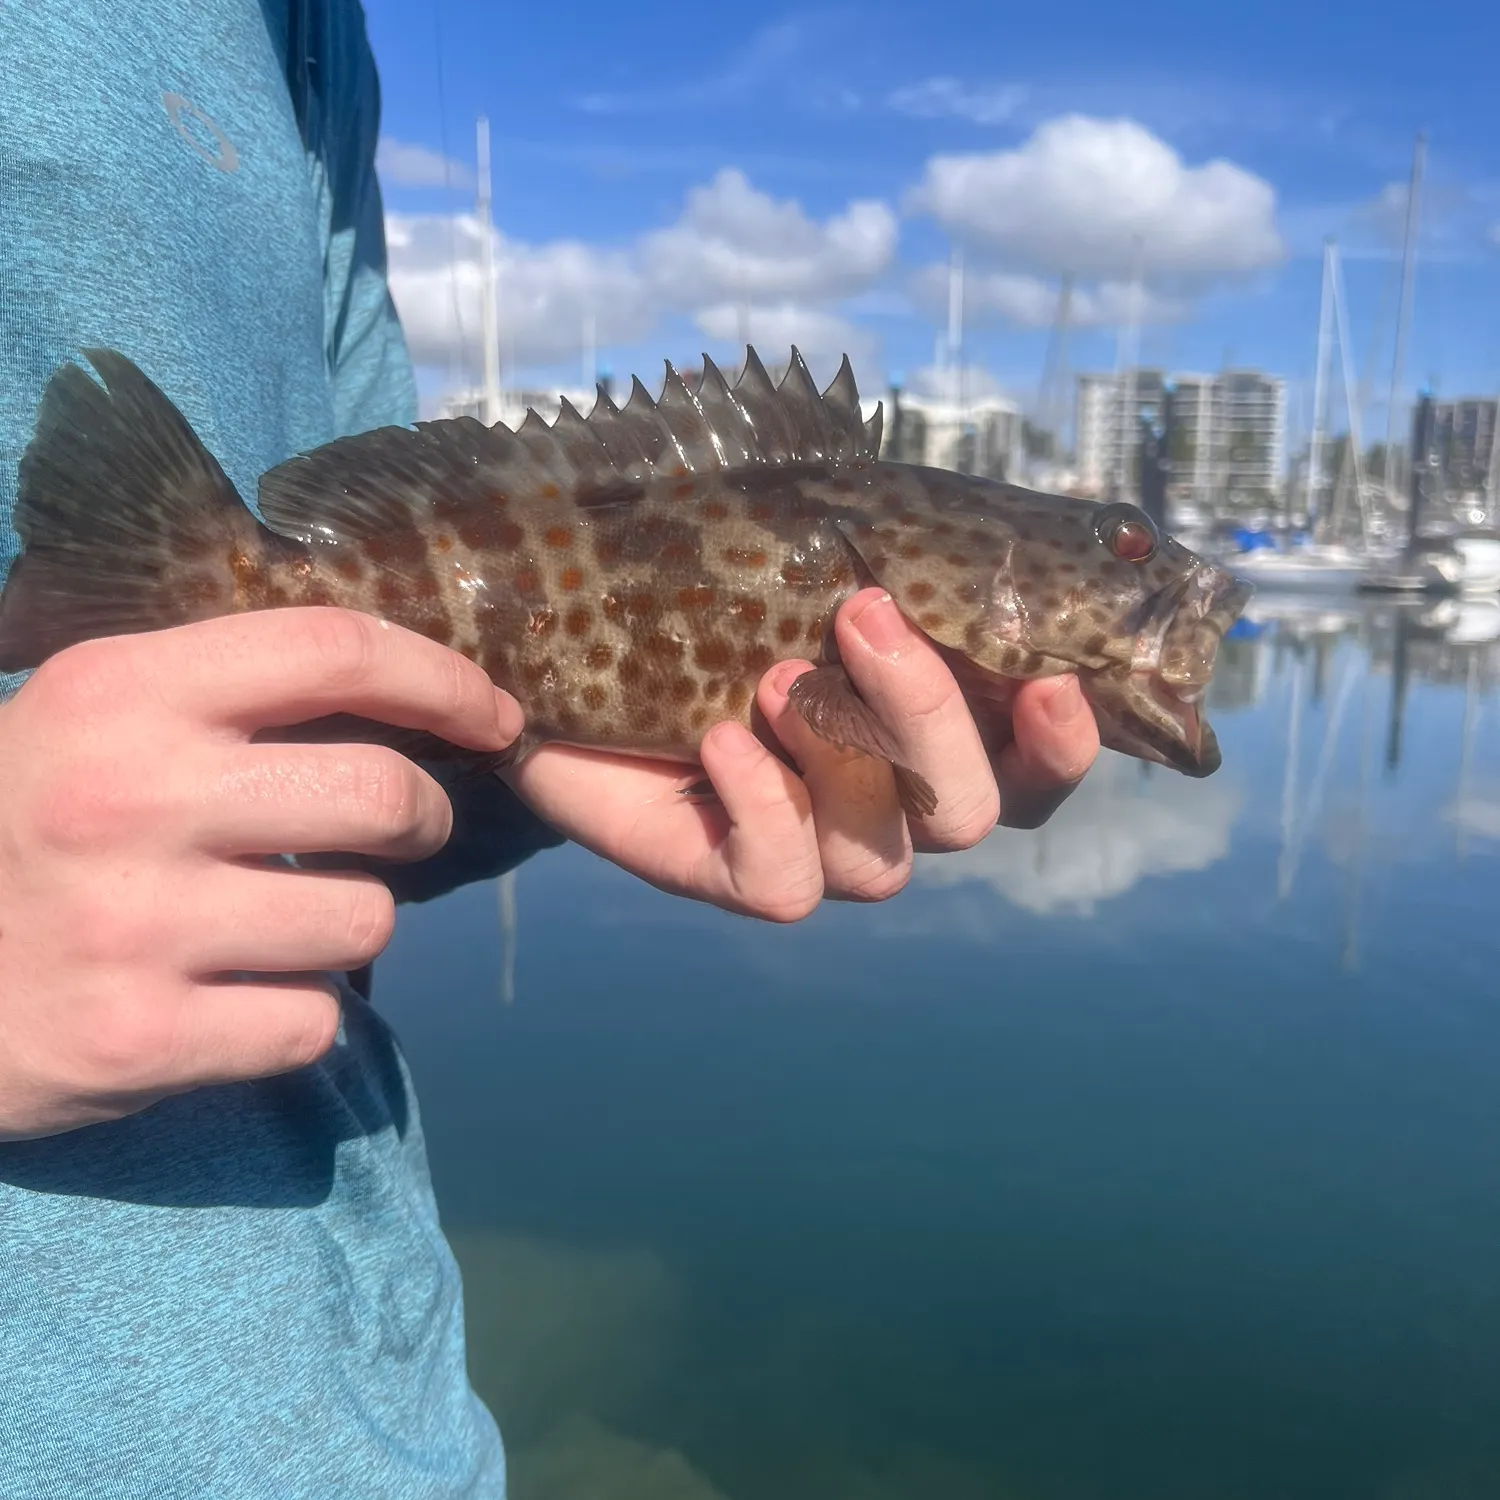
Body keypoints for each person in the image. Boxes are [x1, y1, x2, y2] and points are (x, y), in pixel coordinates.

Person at [0, 1, 1100, 1494]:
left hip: (372, 1405)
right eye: (1109, 554)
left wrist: (519, 772)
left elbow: (354, 684)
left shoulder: (317, 46)